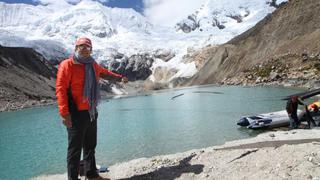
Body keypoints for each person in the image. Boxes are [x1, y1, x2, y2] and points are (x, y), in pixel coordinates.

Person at [56, 37, 128, 180]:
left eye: (87, 47)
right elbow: (61, 89)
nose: (84, 49)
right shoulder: (68, 65)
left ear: (91, 50)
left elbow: (105, 73)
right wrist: (64, 113)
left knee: (90, 145)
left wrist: (120, 78)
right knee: (74, 150)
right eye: (81, 47)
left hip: (91, 111)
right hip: (75, 112)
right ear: (76, 48)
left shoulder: (92, 65)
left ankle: (91, 174)